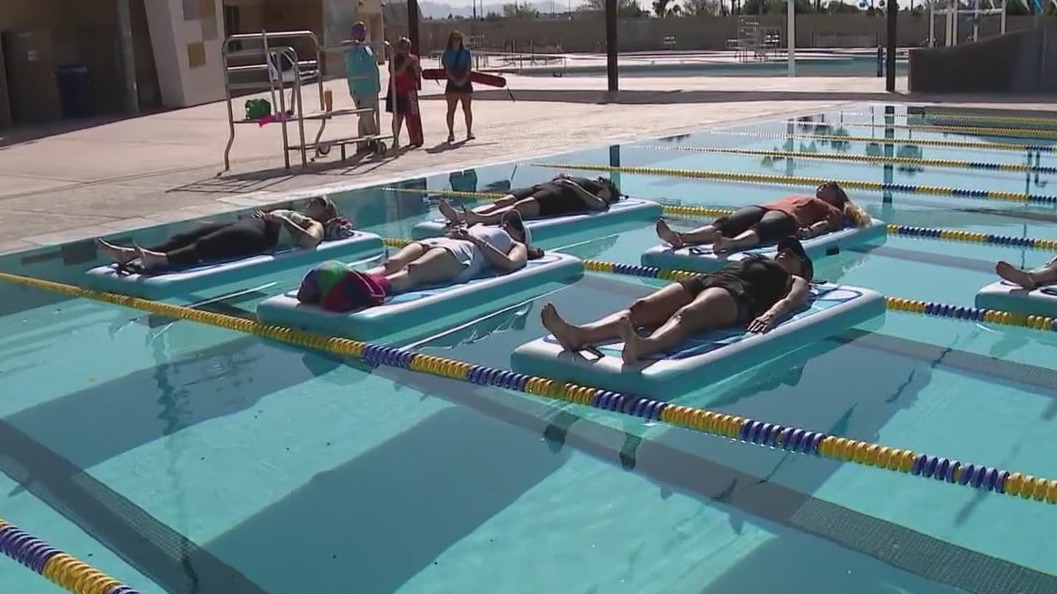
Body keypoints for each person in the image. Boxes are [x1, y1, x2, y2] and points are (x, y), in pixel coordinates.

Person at [541, 237, 814, 363]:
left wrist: (770, 315)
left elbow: (792, 301)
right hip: (709, 279)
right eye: (782, 250)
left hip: (739, 294)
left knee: (686, 316)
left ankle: (645, 347)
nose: (783, 254)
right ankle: (578, 335)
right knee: (640, 308)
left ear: (802, 267)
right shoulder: (763, 259)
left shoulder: (796, 280)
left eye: (791, 254)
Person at [297, 211, 543, 312]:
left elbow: (509, 265)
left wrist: (474, 239)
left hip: (464, 255)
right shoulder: (484, 227)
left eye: (515, 224)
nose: (506, 224)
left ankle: (358, 292)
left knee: (413, 270)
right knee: (390, 264)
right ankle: (343, 280)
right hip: (444, 242)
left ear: (522, 235)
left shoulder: (517, 245)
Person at [97, 196, 353, 271]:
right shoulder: (297, 212)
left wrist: (282, 221)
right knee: (191, 235)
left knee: (208, 244)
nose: (312, 200)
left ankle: (163, 261)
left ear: (325, 212)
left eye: (319, 200)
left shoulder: (314, 224)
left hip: (264, 236)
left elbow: (309, 242)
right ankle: (129, 254)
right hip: (255, 225)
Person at [655, 181, 872, 254]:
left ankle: (730, 244)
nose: (823, 186)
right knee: (726, 223)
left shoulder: (833, 209)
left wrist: (809, 232)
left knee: (763, 228)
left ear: (837, 196)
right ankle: (681, 237)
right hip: (766, 207)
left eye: (830, 186)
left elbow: (826, 225)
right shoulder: (805, 196)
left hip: (788, 217)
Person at [436, 174, 622, 226]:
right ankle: (461, 215)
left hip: (560, 197)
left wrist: (573, 186)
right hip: (546, 186)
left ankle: (478, 219)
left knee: (521, 207)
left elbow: (598, 205)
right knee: (505, 200)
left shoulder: (603, 191)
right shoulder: (589, 181)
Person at [340, 22, 382, 153]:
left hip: (372, 87)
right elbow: (343, 46)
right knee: (366, 116)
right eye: (360, 31)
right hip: (360, 88)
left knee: (366, 116)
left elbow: (373, 67)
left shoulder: (367, 48)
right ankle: (375, 140)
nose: (363, 34)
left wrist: (378, 86)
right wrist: (354, 42)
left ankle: (362, 144)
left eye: (364, 31)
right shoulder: (351, 48)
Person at [385, 37, 423, 148]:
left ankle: (414, 138)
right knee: (398, 117)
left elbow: (416, 76)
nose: (405, 50)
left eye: (407, 48)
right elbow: (395, 73)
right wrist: (406, 63)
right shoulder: (394, 59)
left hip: (411, 91)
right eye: (402, 47)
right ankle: (395, 139)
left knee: (412, 116)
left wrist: (417, 69)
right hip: (398, 91)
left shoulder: (414, 58)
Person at [441, 30, 474, 143]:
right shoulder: (447, 54)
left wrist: (463, 79)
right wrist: (455, 80)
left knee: (467, 109)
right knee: (451, 110)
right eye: (454, 39)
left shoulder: (466, 53)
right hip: (452, 83)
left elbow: (469, 68)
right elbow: (446, 69)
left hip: (465, 82)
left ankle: (469, 131)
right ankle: (451, 133)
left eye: (458, 39)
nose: (456, 42)